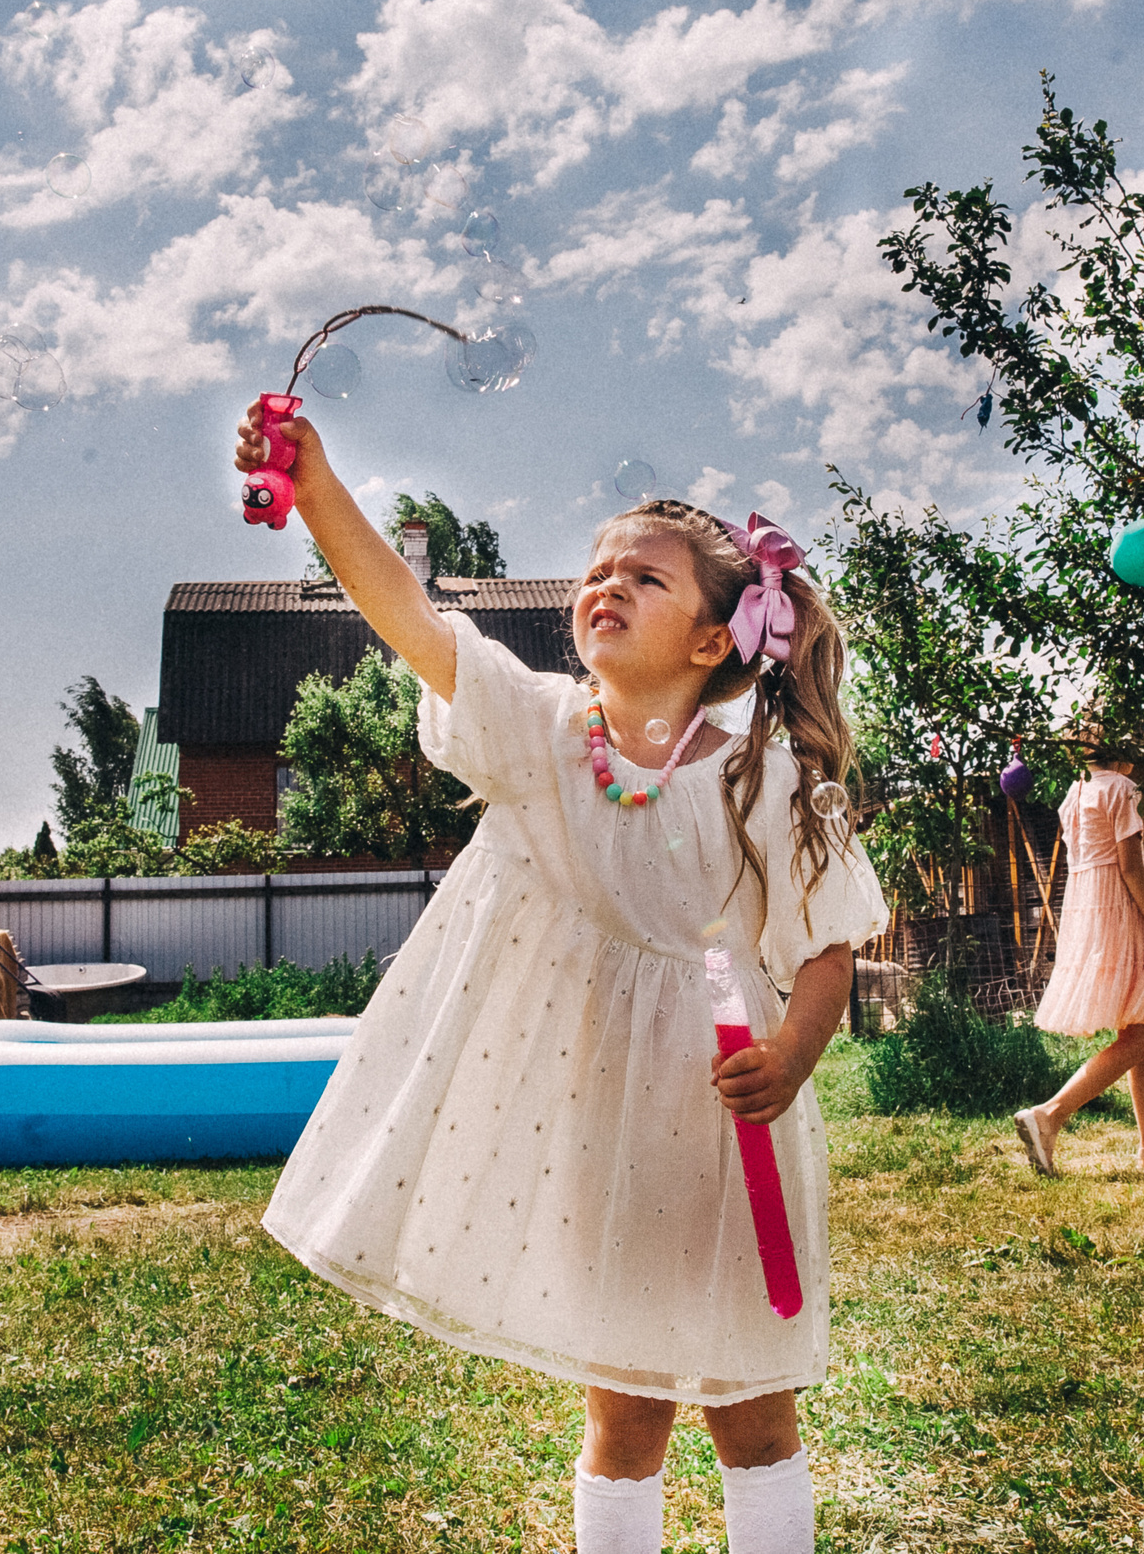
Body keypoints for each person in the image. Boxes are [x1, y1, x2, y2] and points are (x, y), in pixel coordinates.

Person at [241, 399, 886, 1554]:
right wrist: (317, 485)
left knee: (752, 1410)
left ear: (710, 641)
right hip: (604, 1128)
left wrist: (794, 1052)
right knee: (625, 1406)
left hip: (734, 1129)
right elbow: (412, 617)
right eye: (596, 569)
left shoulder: (768, 780)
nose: (605, 583)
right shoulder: (542, 734)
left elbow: (828, 946)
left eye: (644, 577)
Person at [1011, 748, 1144, 1176]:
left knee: (1141, 1021)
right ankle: (1050, 1115)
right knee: (1141, 1032)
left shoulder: (1075, 792)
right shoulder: (1121, 788)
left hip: (1086, 908)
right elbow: (1132, 867)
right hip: (1117, 906)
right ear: (1124, 754)